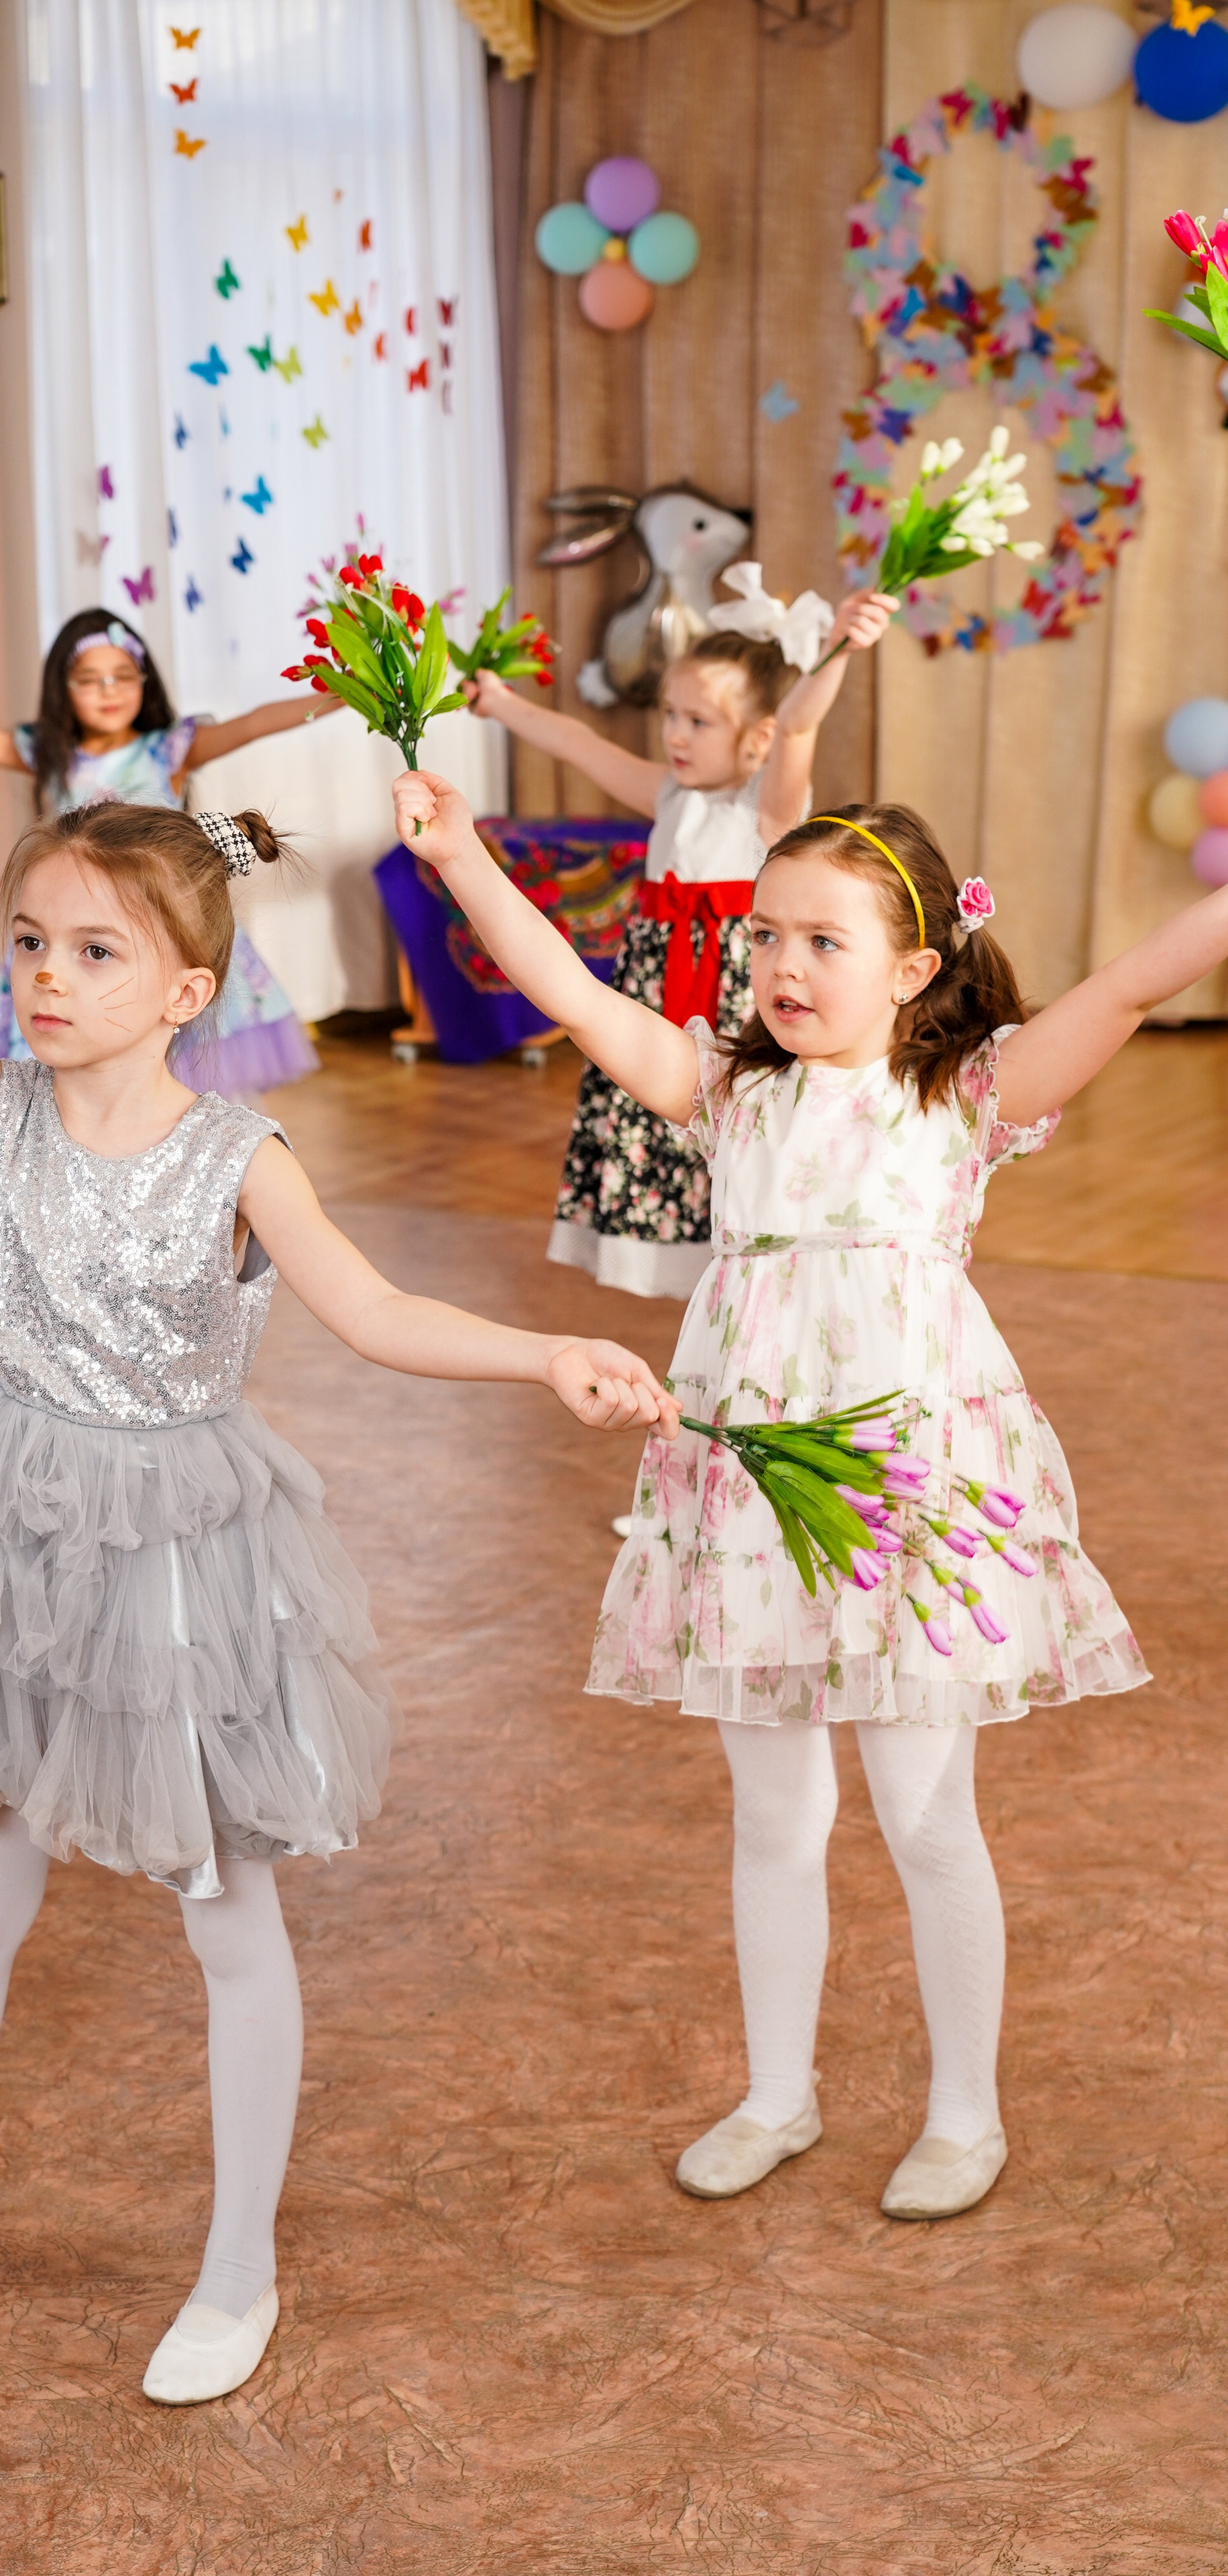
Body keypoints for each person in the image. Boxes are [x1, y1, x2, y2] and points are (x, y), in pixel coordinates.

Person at [0, 621, 663, 2403]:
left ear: (187, 994)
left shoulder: (240, 1158)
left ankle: (236, 2271)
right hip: (4, 1528)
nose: (48, 976)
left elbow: (381, 1316)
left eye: (95, 950)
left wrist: (547, 1354)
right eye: (30, 942)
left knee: (226, 1911)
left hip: (176, 1555)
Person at [390, 773, 1228, 2222]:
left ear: (912, 968)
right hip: (751, 1488)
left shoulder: (959, 1094)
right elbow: (574, 996)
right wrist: (459, 853)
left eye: (820, 942)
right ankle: (777, 2093)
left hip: (905, 1492)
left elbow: (1133, 984)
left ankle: (962, 2114)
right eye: (764, 935)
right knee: (770, 1816)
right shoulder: (730, 1095)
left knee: (919, 1811)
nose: (778, 965)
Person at [466, 591, 893, 1303]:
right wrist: (497, 702)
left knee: (734, 1128)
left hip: (730, 1004)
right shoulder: (668, 795)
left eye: (698, 720)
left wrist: (840, 650)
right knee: (648, 1118)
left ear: (753, 740)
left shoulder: (769, 809)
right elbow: (579, 743)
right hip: (654, 1004)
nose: (676, 734)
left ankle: (752, 1253)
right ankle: (670, 1257)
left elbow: (797, 727)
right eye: (669, 715)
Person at [0, 606, 335, 1101]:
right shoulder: (51, 755)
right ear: (63, 690)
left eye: (123, 676)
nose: (109, 691)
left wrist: (340, 695)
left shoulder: (170, 748)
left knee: (181, 1070)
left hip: (158, 931)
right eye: (90, 680)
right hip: (79, 937)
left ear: (144, 681)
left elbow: (257, 722)